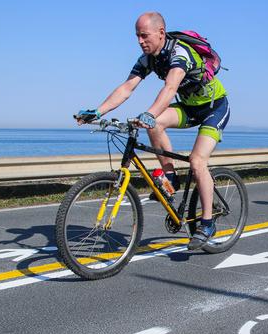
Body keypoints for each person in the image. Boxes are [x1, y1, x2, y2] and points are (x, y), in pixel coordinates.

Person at [76, 12, 230, 251]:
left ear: (160, 33)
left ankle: (207, 223)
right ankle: (170, 178)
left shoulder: (180, 53)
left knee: (197, 161)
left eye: (144, 35)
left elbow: (170, 87)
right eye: (137, 36)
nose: (140, 41)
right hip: (190, 108)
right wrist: (98, 112)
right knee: (155, 124)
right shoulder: (148, 59)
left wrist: (149, 112)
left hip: (214, 108)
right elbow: (127, 87)